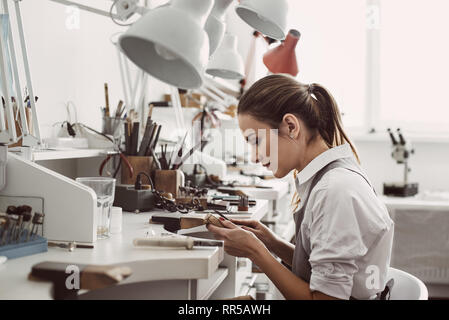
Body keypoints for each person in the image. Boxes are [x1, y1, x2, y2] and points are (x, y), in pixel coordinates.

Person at [207, 74, 394, 300]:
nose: (254, 157)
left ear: (291, 126)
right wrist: (271, 243)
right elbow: (324, 267)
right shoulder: (330, 177)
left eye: (256, 141)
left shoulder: (334, 191)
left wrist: (256, 252)